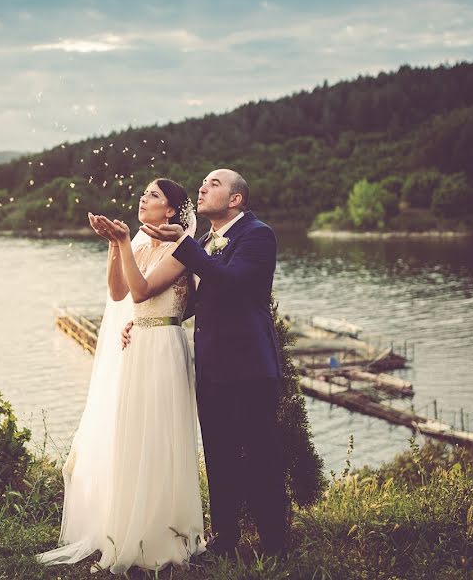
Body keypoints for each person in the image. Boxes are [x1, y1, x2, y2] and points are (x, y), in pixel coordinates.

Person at [37, 178, 206, 574]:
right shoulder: (142, 247)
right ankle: (130, 527)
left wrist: (125, 241)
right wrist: (116, 246)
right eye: (144, 192)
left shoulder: (182, 250)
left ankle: (167, 534)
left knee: (160, 433)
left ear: (170, 210)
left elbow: (144, 291)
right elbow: (118, 293)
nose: (143, 198)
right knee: (134, 432)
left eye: (153, 195)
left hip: (164, 344)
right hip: (137, 347)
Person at [139, 168, 288, 558]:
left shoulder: (258, 235)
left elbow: (232, 282)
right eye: (202, 183)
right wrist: (139, 325)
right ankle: (225, 539)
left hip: (250, 368)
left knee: (260, 456)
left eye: (213, 184)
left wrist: (185, 246)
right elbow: (192, 303)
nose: (202, 188)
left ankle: (275, 544)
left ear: (235, 199)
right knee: (219, 456)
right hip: (211, 368)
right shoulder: (204, 241)